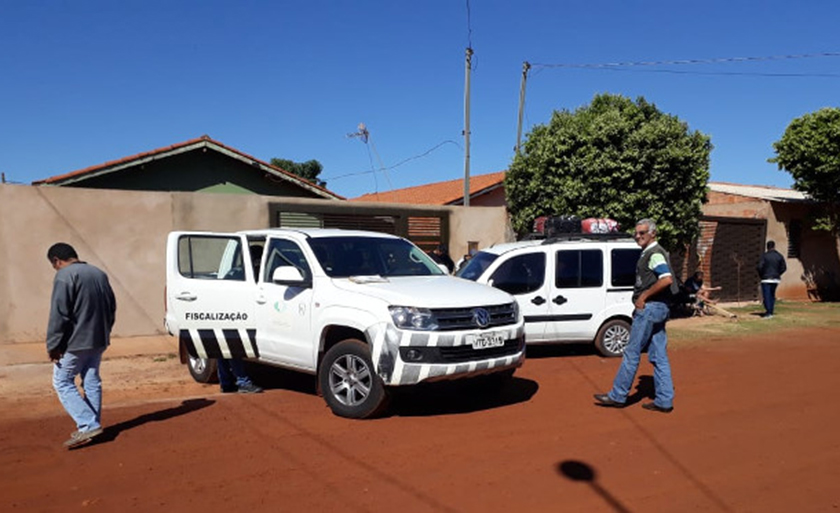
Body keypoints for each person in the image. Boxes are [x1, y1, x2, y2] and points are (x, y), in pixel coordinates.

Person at [594, 219, 676, 413]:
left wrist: (644, 297)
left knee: (632, 352)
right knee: (659, 356)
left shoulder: (654, 254)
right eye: (636, 233)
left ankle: (618, 395)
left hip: (649, 309)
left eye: (642, 233)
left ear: (653, 233)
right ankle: (664, 400)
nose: (638, 236)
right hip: (660, 309)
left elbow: (666, 279)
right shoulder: (652, 253)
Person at [46, 242, 117, 448]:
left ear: (57, 261)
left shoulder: (64, 276)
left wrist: (53, 344)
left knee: (62, 381)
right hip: (98, 338)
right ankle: (93, 425)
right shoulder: (98, 273)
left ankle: (88, 425)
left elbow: (59, 314)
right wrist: (106, 331)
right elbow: (111, 307)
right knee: (91, 379)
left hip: (75, 341)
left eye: (54, 265)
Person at [757, 240, 786, 318]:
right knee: (772, 295)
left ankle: (768, 312)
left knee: (766, 295)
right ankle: (771, 311)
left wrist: (762, 275)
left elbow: (759, 267)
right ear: (774, 246)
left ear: (767, 247)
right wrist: (778, 273)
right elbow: (784, 267)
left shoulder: (764, 256)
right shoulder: (779, 256)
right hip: (775, 279)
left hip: (766, 278)